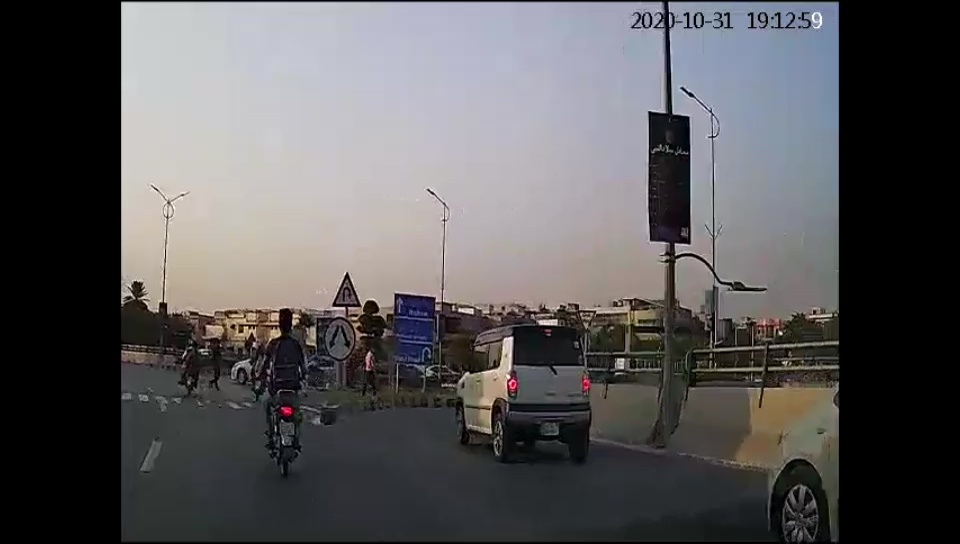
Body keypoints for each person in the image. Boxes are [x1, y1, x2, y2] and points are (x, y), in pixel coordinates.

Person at [257, 308, 307, 449]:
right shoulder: (296, 345)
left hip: (276, 390)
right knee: (297, 414)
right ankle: (296, 438)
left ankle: (271, 435)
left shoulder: (274, 344)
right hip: (293, 389)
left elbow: (265, 365)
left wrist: (260, 378)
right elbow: (303, 367)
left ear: (279, 326)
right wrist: (302, 379)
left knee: (266, 405)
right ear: (290, 326)